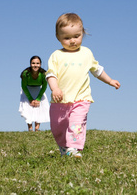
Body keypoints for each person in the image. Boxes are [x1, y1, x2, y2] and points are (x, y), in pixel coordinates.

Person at [46, 13, 121, 158]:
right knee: (57, 128)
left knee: (76, 123)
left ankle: (74, 149)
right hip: (60, 100)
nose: (72, 41)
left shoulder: (86, 53)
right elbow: (51, 75)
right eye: (66, 38)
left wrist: (110, 80)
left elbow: (97, 70)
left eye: (76, 36)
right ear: (58, 37)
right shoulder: (56, 55)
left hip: (81, 98)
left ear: (82, 34)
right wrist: (55, 88)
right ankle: (63, 147)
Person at [18, 56, 50, 131]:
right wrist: (30, 99)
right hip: (27, 90)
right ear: (30, 64)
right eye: (33, 63)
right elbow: (24, 86)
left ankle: (37, 128)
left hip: (39, 90)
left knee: (39, 107)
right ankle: (30, 127)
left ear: (40, 64)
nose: (35, 65)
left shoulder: (43, 74)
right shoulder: (25, 74)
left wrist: (38, 98)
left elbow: (44, 86)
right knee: (28, 107)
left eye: (37, 63)